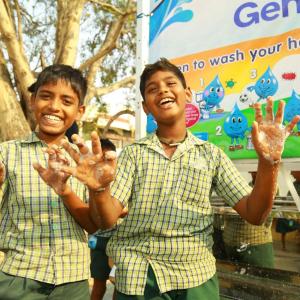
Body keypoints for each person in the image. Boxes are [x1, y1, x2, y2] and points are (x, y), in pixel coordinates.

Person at [56, 58, 300, 299]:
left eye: (170, 83)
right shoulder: (132, 154)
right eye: (152, 89)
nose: (162, 89)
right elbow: (108, 220)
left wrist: (269, 163)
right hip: (137, 279)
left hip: (195, 279)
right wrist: (100, 191)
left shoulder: (212, 154)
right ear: (145, 107)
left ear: (188, 94)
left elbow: (255, 214)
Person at [0, 64, 99, 300]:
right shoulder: (7, 153)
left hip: (72, 283)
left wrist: (65, 191)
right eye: (46, 96)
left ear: (80, 111)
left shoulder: (84, 160)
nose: (54, 106)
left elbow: (93, 225)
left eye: (66, 101)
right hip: (18, 279)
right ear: (33, 100)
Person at [223, 172, 274, 268]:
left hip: (256, 244)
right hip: (232, 242)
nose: (253, 174)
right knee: (237, 280)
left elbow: (265, 215)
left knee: (261, 278)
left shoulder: (270, 186)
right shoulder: (245, 186)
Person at [90, 138, 117, 300]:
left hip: (118, 240)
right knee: (99, 285)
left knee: (118, 283)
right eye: (100, 158)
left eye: (107, 158)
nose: (104, 162)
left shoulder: (121, 178)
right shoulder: (89, 179)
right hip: (99, 241)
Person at [275, 170, 300, 250]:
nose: (291, 174)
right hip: (292, 210)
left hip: (297, 211)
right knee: (282, 220)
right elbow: (289, 198)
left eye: (293, 172)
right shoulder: (294, 184)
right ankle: (283, 246)